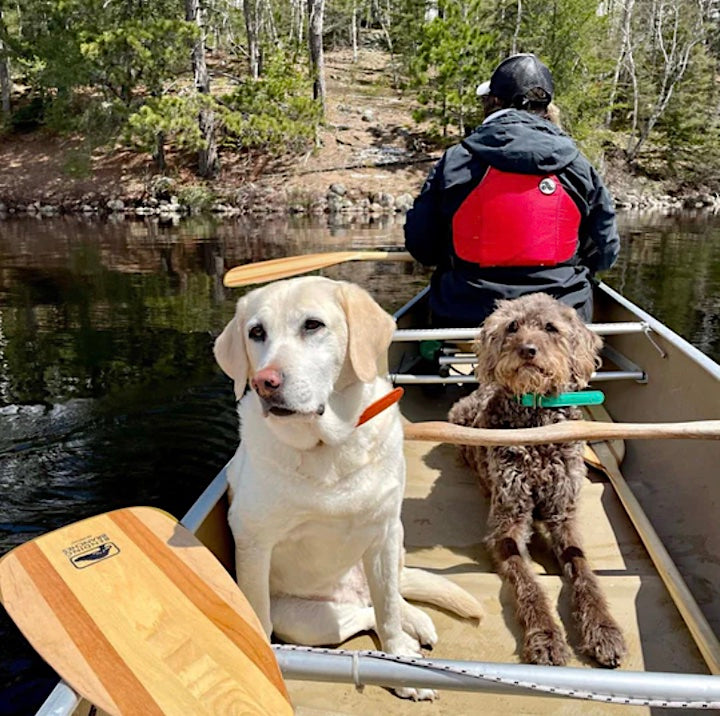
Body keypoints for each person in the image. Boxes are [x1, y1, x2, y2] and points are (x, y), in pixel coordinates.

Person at [404, 53, 620, 326]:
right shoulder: (578, 166)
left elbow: (421, 247)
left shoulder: (455, 162)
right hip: (559, 322)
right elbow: (605, 254)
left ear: (494, 102)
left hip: (469, 319)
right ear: (546, 107)